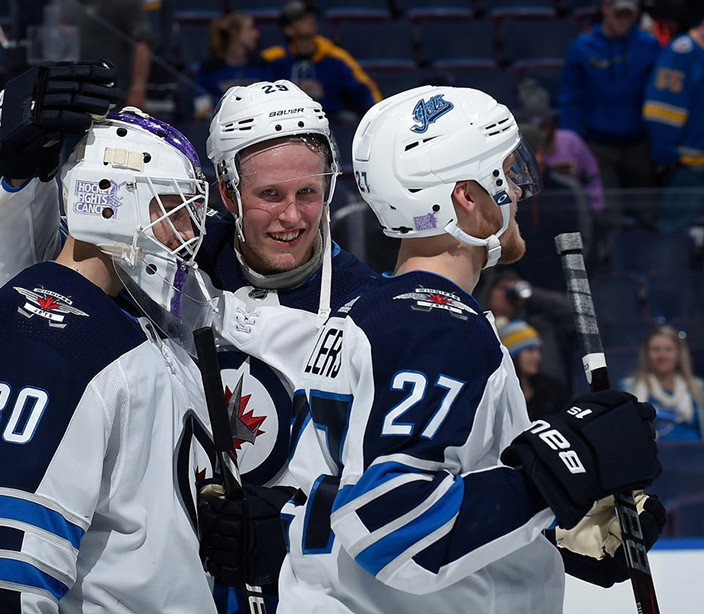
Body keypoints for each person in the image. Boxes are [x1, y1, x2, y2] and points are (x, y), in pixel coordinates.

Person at [0, 68, 377, 612]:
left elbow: (393, 487)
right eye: (270, 194)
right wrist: (24, 180)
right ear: (227, 192)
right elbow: (32, 291)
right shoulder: (167, 259)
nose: (293, 216)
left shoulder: (370, 309)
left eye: (309, 193)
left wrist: (297, 532)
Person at [279, 86, 665, 613]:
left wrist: (550, 521)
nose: (522, 190)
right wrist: (551, 477)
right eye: (508, 172)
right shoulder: (434, 326)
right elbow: (393, 525)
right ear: (466, 195)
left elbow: (400, 488)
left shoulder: (376, 311)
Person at [0, 105, 218, 612]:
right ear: (110, 204)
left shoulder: (132, 326)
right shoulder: (47, 334)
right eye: (170, 208)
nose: (184, 234)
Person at [559, 0, 661, 226]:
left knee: (648, 215)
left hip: (640, 144)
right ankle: (609, 258)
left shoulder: (650, 45)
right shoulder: (581, 48)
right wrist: (571, 144)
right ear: (606, 8)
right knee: (607, 217)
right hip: (598, 145)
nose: (624, 19)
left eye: (629, 14)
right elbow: (570, 99)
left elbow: (660, 95)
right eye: (619, 13)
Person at [261, 1, 380, 122]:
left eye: (311, 16)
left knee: (349, 119)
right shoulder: (272, 59)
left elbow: (365, 88)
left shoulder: (336, 56)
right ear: (288, 29)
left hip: (330, 118)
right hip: (286, 119)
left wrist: (378, 117)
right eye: (301, 19)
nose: (310, 20)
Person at [643, 9, 704, 233]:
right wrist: (667, 154)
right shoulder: (683, 52)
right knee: (673, 237)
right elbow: (661, 112)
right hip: (691, 169)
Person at [480, 267, 576, 384]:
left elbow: (571, 312)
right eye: (502, 288)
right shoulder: (478, 325)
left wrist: (527, 293)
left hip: (537, 392)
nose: (508, 294)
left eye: (511, 290)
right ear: (490, 293)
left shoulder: (535, 327)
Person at [61, 0, 151, 109]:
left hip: (113, 90)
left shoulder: (126, 3)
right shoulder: (67, 3)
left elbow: (141, 45)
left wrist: (138, 88)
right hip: (75, 88)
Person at [623, 324, 704, 440]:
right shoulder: (629, 388)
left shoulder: (699, 388)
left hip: (695, 455)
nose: (662, 355)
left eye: (668, 349)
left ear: (679, 354)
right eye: (656, 349)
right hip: (651, 456)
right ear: (647, 354)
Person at [193, 12, 266, 120]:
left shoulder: (261, 65)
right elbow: (202, 109)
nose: (256, 34)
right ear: (234, 33)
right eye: (251, 29)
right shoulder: (209, 69)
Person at [498, 319, 569, 421]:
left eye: (538, 350)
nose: (537, 356)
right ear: (513, 356)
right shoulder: (501, 398)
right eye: (530, 350)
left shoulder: (553, 390)